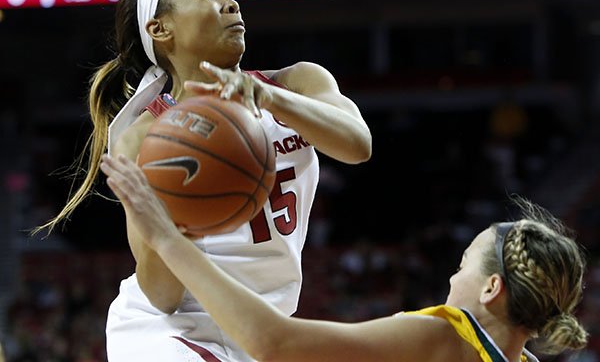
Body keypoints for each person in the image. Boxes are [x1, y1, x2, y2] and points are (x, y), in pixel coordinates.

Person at [35, 0, 371, 361]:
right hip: (172, 332)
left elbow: (357, 144)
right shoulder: (143, 139)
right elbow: (161, 295)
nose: (231, 4)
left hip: (262, 330)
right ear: (161, 29)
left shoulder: (297, 83)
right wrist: (184, 206)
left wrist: (268, 98)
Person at [100, 156, 591, 362]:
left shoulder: (446, 335)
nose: (451, 273)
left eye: (464, 262)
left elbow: (275, 343)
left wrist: (166, 238)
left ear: (491, 289)